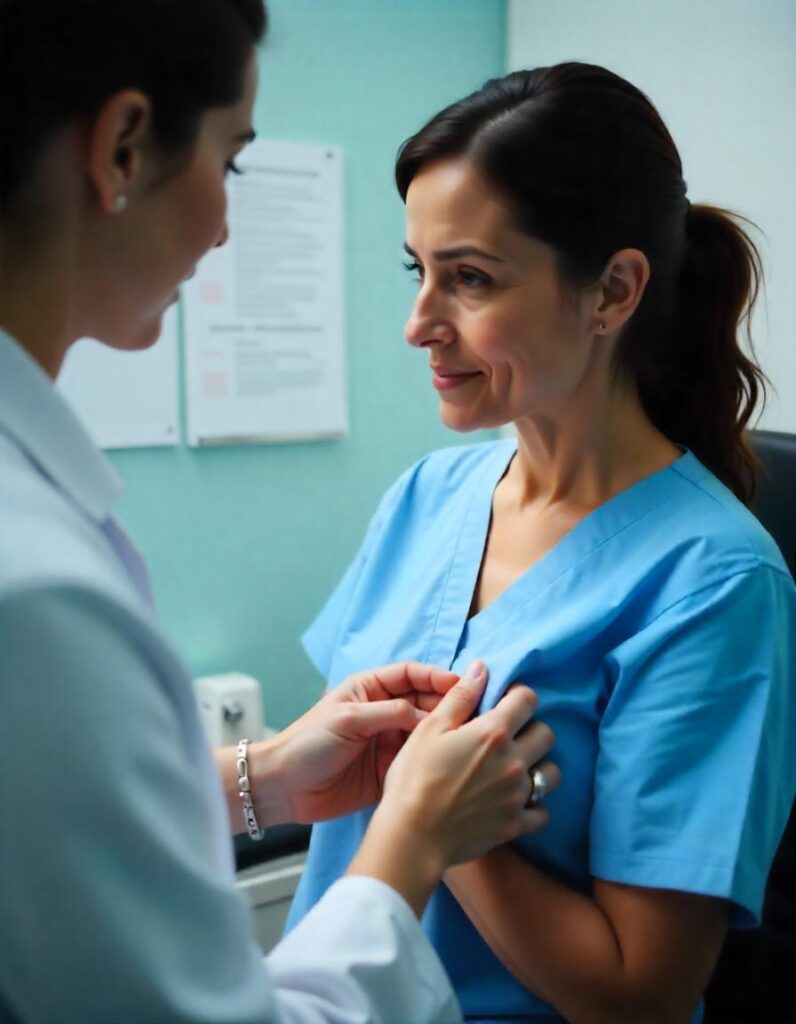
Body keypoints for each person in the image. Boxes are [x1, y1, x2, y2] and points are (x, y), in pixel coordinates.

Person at [0, 3, 560, 1022]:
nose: (221, 224)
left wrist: (263, 778)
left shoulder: (715, 573)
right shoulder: (32, 590)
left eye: (469, 276)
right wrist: (410, 839)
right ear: (123, 145)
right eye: (233, 160)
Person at [286, 63, 796, 1024]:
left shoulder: (713, 584)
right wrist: (260, 779)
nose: (418, 325)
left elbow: (643, 995)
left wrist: (448, 830)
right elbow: (336, 777)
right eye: (419, 270)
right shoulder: (425, 496)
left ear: (612, 290)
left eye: (469, 278)